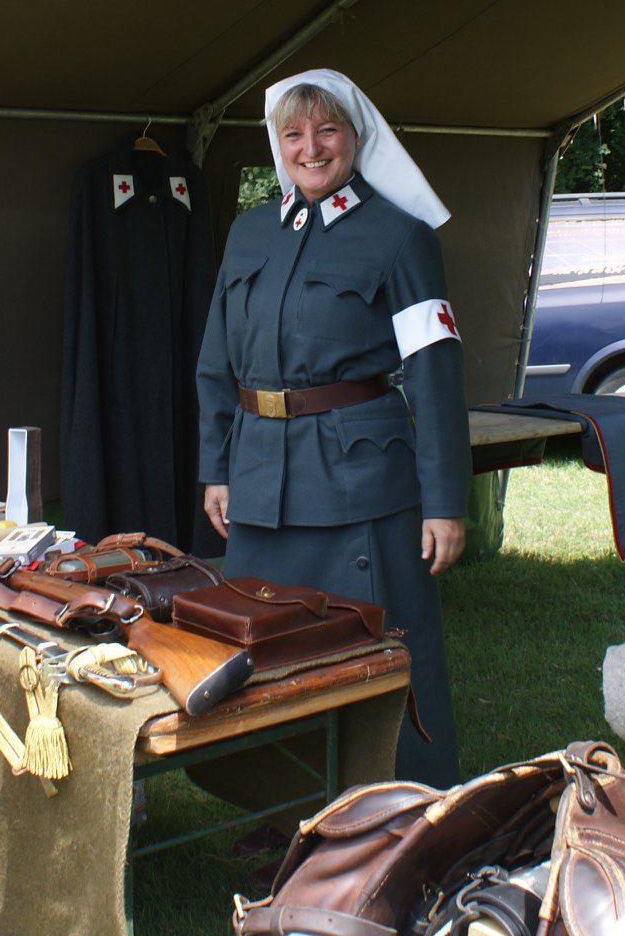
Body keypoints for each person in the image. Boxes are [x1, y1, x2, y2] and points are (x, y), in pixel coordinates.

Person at [196, 68, 470, 786]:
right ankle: (279, 810)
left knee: (374, 654)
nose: (311, 148)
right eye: (293, 134)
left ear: (356, 137)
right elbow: (216, 360)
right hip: (259, 483)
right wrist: (216, 468)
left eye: (327, 131)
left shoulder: (400, 236)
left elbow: (435, 373)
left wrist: (445, 503)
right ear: (277, 144)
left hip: (361, 486)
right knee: (265, 653)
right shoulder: (250, 232)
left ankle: (403, 814)